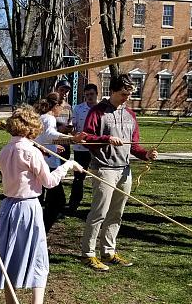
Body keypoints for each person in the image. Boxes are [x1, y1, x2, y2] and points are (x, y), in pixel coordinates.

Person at [0, 105, 83, 304]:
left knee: (9, 258)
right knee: (39, 261)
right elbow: (49, 182)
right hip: (27, 208)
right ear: (32, 128)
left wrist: (39, 152)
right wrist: (68, 165)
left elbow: (22, 167)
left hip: (8, 207)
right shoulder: (30, 151)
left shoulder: (6, 149)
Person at [79, 75, 158, 271]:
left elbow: (134, 146)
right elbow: (86, 138)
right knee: (99, 213)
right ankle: (88, 254)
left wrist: (146, 154)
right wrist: (106, 138)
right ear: (112, 91)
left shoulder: (130, 114)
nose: (127, 98)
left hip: (124, 170)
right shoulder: (97, 112)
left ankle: (108, 251)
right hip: (103, 168)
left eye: (129, 94)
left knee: (116, 214)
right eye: (123, 94)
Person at [33, 93, 82, 231]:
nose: (63, 109)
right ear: (55, 106)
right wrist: (72, 139)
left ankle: (37, 230)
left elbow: (44, 139)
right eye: (62, 106)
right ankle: (41, 231)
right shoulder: (49, 118)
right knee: (58, 202)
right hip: (48, 165)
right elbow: (50, 135)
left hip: (43, 161)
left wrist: (54, 146)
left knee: (43, 199)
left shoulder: (41, 117)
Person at [68, 83, 99, 213]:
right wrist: (75, 135)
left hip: (97, 148)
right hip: (80, 148)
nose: (89, 97)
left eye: (92, 94)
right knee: (78, 177)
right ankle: (73, 204)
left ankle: (98, 205)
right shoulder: (78, 108)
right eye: (87, 95)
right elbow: (72, 127)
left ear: (97, 94)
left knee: (99, 177)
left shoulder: (102, 108)